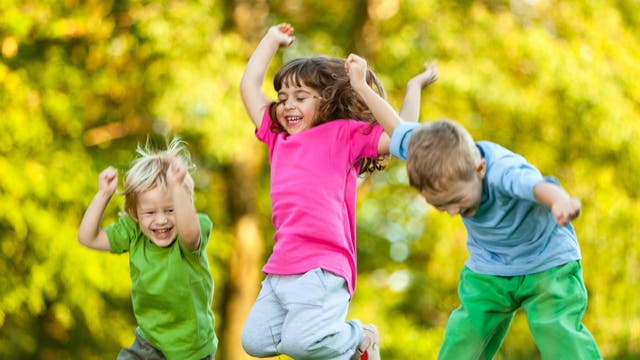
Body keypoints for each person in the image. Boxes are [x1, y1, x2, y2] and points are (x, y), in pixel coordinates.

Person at [346, 54, 602, 359]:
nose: (453, 212)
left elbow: (538, 186)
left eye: (458, 202)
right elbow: (397, 126)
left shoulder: (502, 171)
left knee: (557, 330)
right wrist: (362, 85)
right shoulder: (432, 155)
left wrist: (560, 201)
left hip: (547, 262)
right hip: (490, 267)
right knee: (465, 334)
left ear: (480, 170)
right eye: (440, 206)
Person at [239, 23, 393, 360]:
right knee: (254, 342)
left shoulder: (343, 135)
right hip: (281, 265)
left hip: (323, 266)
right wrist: (269, 40)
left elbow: (399, 137)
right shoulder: (276, 137)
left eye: (300, 97)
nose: (288, 105)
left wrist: (362, 87)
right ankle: (346, 349)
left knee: (301, 344)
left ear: (324, 102)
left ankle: (360, 337)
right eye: (282, 99)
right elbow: (249, 86)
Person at [77, 137, 217, 360]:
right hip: (149, 342)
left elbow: (190, 235)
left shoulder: (191, 230)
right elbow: (87, 238)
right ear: (135, 214)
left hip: (190, 348)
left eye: (170, 210)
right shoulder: (133, 232)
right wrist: (103, 195)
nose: (161, 220)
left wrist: (176, 186)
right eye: (150, 213)